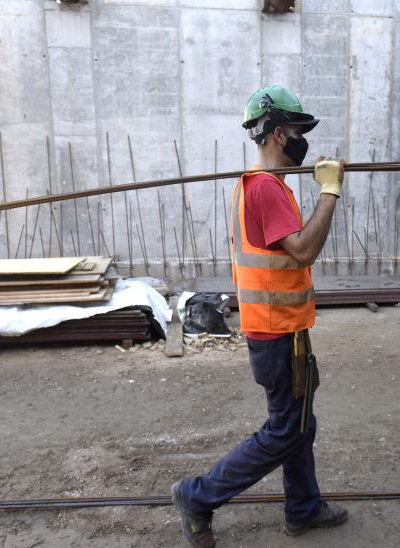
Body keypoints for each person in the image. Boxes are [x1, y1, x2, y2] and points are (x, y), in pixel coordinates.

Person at [171, 85, 347, 548]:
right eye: (295, 129)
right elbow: (305, 248)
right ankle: (197, 495)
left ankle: (303, 507)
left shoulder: (265, 185)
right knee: (286, 430)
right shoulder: (265, 188)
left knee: (299, 423)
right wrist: (330, 192)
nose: (301, 137)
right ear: (273, 134)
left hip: (285, 329)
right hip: (275, 334)